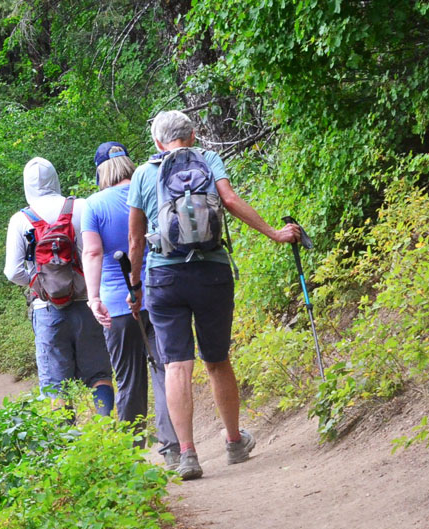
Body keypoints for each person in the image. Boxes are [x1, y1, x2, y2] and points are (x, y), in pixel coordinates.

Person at [127, 110, 301, 479]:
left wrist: (135, 287)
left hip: (164, 277)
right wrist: (275, 233)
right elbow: (232, 202)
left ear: (157, 142)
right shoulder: (208, 159)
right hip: (212, 271)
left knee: (176, 364)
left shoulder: (143, 173)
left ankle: (188, 454)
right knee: (217, 359)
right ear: (191, 137)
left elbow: (134, 239)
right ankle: (235, 443)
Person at [81, 142, 181, 468]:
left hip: (117, 304)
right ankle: (174, 448)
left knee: (128, 380)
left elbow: (93, 253)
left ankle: (131, 459)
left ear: (100, 170)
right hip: (159, 292)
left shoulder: (93, 205)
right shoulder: (151, 189)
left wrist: (93, 297)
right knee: (167, 371)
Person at [4, 157, 115, 416]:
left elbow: (12, 271)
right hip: (89, 303)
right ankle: (107, 432)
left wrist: (40, 285)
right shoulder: (82, 206)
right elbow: (99, 250)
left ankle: (68, 446)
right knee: (99, 374)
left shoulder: (20, 220)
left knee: (55, 385)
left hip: (47, 310)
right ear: (55, 178)